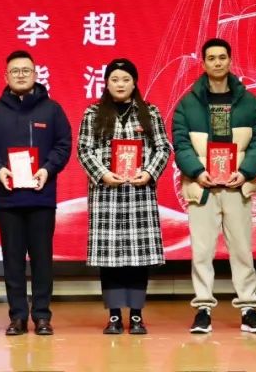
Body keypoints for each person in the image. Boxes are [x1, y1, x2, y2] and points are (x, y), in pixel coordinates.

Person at [172, 38, 256, 334]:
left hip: (237, 186)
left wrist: (246, 171)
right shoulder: (188, 104)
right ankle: (203, 309)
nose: (217, 62)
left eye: (222, 57)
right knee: (201, 251)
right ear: (203, 63)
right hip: (202, 187)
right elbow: (180, 143)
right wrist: (197, 172)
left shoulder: (250, 103)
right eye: (211, 58)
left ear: (230, 61)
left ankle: (249, 309)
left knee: (242, 250)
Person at [0, 50, 72, 336]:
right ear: (6, 76)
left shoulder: (52, 109)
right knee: (13, 260)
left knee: (42, 259)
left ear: (35, 74)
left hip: (42, 196)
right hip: (8, 199)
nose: (20, 75)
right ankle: (17, 316)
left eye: (26, 70)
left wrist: (47, 169)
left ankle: (42, 315)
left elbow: (63, 144)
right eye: (15, 71)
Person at [76, 59, 171, 335]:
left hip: (139, 194)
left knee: (138, 259)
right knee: (111, 259)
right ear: (106, 83)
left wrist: (149, 172)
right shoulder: (93, 113)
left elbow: (163, 148)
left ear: (134, 83)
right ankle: (115, 315)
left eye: (125, 79)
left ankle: (137, 315)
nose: (120, 84)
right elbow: (84, 150)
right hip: (107, 194)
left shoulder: (150, 112)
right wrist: (103, 174)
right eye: (115, 79)